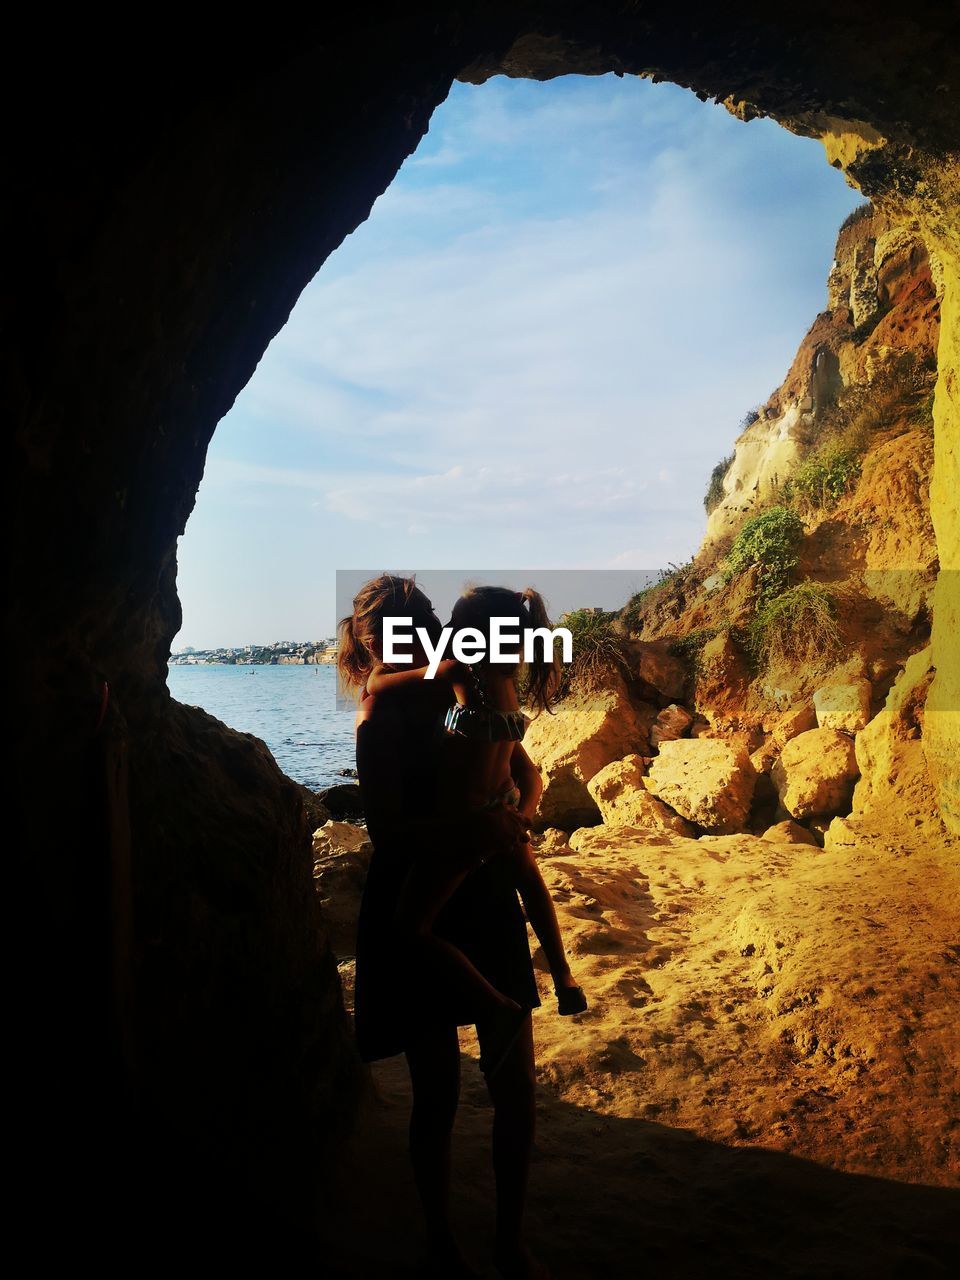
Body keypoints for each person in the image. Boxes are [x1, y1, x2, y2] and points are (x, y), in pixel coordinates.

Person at [338, 575, 559, 1280]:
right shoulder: (385, 711)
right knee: (451, 1090)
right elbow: (393, 833)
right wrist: (494, 821)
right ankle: (457, 1243)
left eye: (417, 623)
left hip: (471, 880)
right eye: (399, 626)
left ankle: (494, 1242)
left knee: (494, 1086)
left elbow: (524, 771)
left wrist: (511, 819)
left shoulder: (446, 690)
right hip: (445, 876)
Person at [365, 583, 587, 1079]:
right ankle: (566, 976)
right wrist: (522, 816)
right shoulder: (503, 680)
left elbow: (377, 687)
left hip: (469, 823)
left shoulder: (460, 671)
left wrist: (382, 676)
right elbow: (529, 773)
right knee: (531, 884)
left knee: (410, 927)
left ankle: (494, 1005)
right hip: (503, 805)